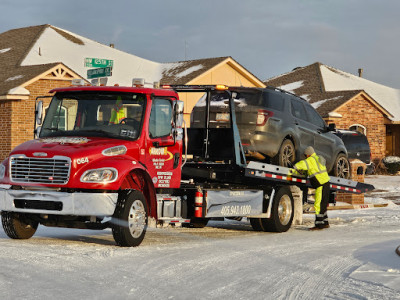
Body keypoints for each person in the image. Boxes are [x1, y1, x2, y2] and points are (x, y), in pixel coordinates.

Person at [289, 146, 331, 230]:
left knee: (318, 205)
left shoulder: (310, 160)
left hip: (321, 185)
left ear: (308, 154)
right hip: (326, 183)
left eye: (305, 155)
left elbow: (301, 165)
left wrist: (293, 167)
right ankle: (325, 223)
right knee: (323, 205)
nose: (305, 157)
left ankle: (319, 225)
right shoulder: (318, 158)